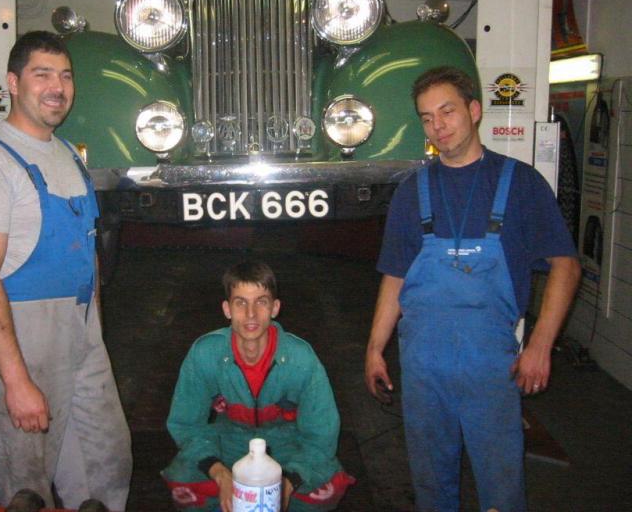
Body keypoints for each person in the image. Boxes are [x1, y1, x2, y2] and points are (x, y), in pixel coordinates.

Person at [364, 66, 581, 511]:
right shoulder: (411, 192)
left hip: (490, 367)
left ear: (475, 110)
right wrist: (374, 348)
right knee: (431, 485)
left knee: (500, 486)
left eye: (447, 111)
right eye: (427, 117)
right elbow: (395, 275)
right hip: (423, 366)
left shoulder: (521, 184)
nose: (438, 126)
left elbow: (566, 266)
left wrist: (540, 346)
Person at [0, 31, 132, 510]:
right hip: (21, 336)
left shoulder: (69, 155)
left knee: (106, 464)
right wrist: (15, 381)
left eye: (65, 76)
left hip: (81, 332)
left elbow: (88, 252)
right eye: (43, 75)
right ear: (13, 83)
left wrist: (94, 332)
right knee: (27, 484)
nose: (57, 87)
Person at [163, 261, 355, 512]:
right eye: (240, 302)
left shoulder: (301, 358)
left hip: (285, 444)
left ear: (275, 308)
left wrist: (288, 483)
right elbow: (186, 425)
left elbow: (321, 435)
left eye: (261, 302)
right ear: (227, 309)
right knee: (183, 482)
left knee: (327, 488)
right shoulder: (205, 354)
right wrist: (220, 473)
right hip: (226, 441)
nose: (251, 314)